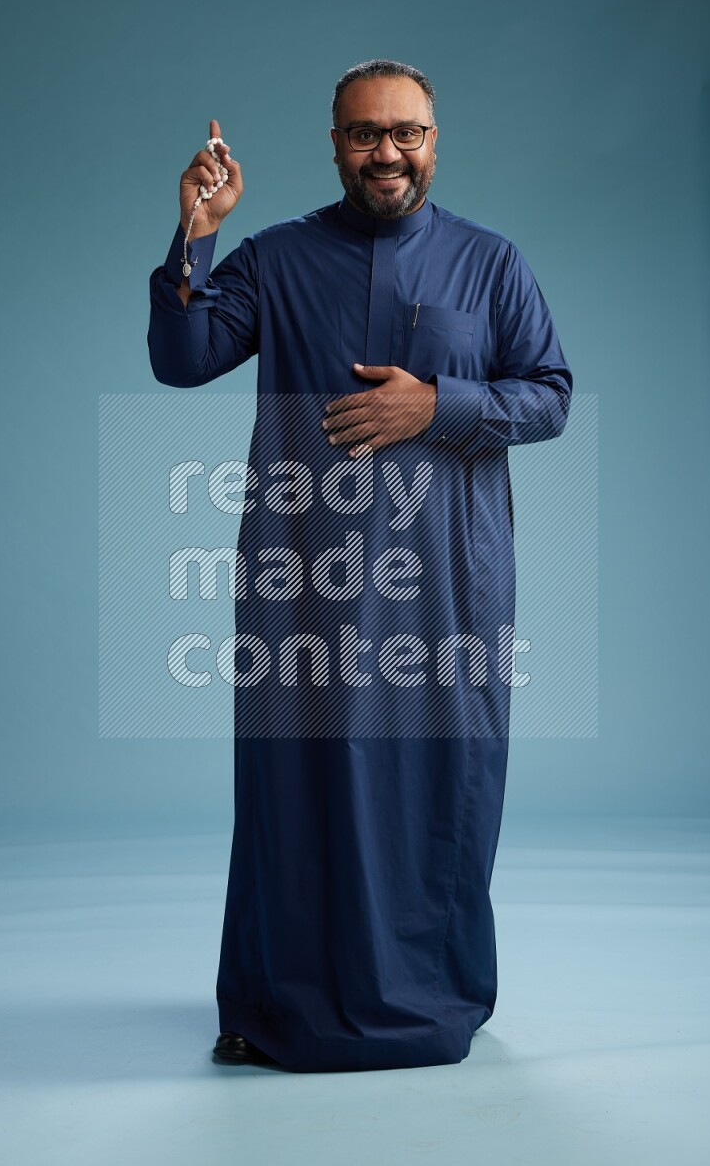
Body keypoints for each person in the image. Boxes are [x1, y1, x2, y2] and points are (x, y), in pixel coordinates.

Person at [148, 58, 572, 1073]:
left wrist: (440, 406)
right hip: (309, 580)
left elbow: (548, 393)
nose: (387, 152)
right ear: (333, 143)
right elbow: (181, 355)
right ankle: (274, 1001)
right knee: (298, 783)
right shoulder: (278, 258)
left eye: (407, 133)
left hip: (448, 583)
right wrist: (196, 235)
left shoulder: (488, 263)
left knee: (438, 781)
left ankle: (434, 998)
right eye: (365, 134)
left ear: (434, 140)